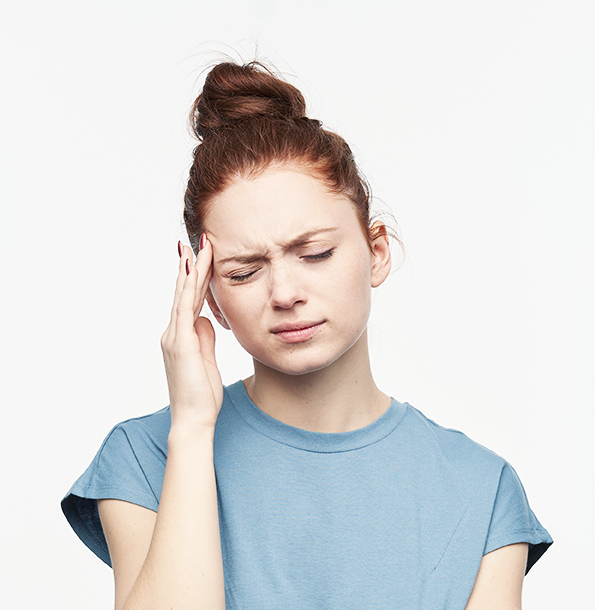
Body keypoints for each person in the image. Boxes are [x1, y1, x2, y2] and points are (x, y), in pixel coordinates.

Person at [61, 61, 552, 610]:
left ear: (377, 251)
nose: (285, 292)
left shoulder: (478, 491)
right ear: (210, 299)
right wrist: (194, 428)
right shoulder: (145, 456)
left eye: (315, 253)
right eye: (243, 272)